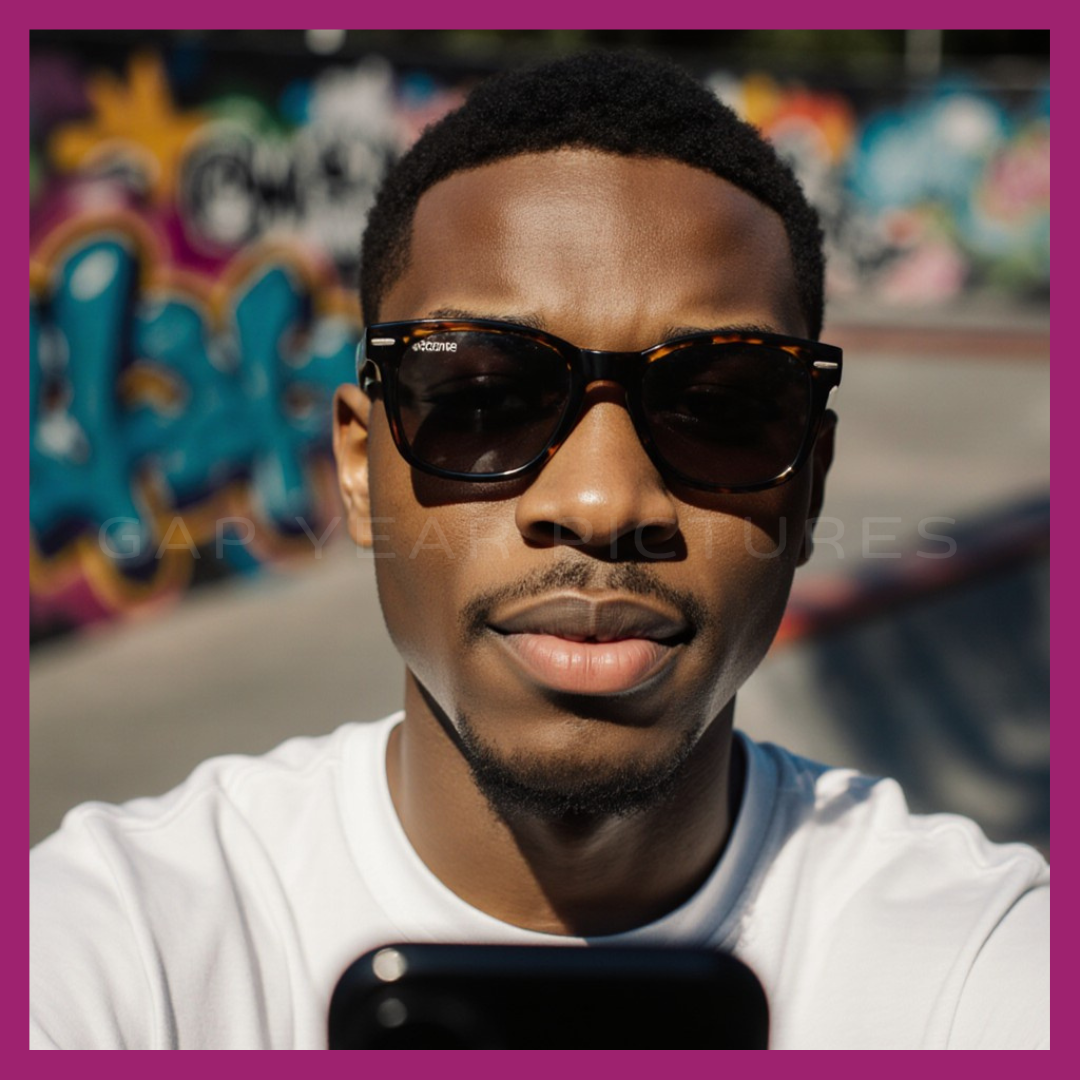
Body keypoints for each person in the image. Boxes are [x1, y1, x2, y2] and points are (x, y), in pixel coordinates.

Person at [30, 51, 1049, 1050]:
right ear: (359, 467)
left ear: (810, 483)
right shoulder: (114, 944)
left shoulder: (981, 960)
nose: (601, 502)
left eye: (720, 406)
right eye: (483, 398)